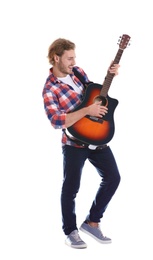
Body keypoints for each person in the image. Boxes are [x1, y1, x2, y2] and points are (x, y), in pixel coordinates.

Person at [42, 38, 121, 249]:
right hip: (74, 143)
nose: (73, 61)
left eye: (74, 57)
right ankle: (70, 232)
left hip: (97, 137)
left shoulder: (77, 72)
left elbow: (93, 93)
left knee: (113, 178)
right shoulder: (50, 89)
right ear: (56, 58)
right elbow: (56, 121)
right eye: (69, 58)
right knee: (71, 188)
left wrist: (109, 75)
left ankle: (92, 222)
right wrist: (87, 111)